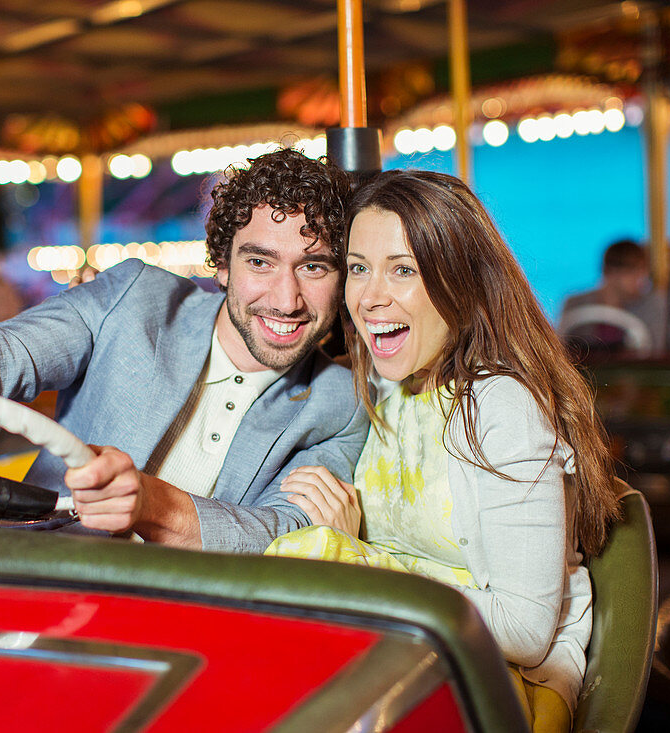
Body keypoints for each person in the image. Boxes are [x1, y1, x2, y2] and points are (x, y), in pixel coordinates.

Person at [0, 148, 367, 553]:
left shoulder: (339, 403)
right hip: (50, 587)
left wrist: (155, 506)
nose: (285, 298)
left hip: (193, 630)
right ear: (223, 263)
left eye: (313, 267)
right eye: (260, 262)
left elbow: (284, 531)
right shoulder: (135, 300)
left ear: (342, 277)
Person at [265, 170, 622, 731]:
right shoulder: (387, 387)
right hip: (406, 656)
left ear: (462, 280)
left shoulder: (499, 407)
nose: (370, 296)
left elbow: (526, 632)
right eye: (358, 268)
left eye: (402, 270)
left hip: (504, 685)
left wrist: (350, 557)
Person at [557, 239, 668, 355]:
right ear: (610, 272)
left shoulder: (651, 305)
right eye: (633, 272)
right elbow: (561, 346)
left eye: (643, 272)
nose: (640, 279)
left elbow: (654, 352)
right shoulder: (576, 303)